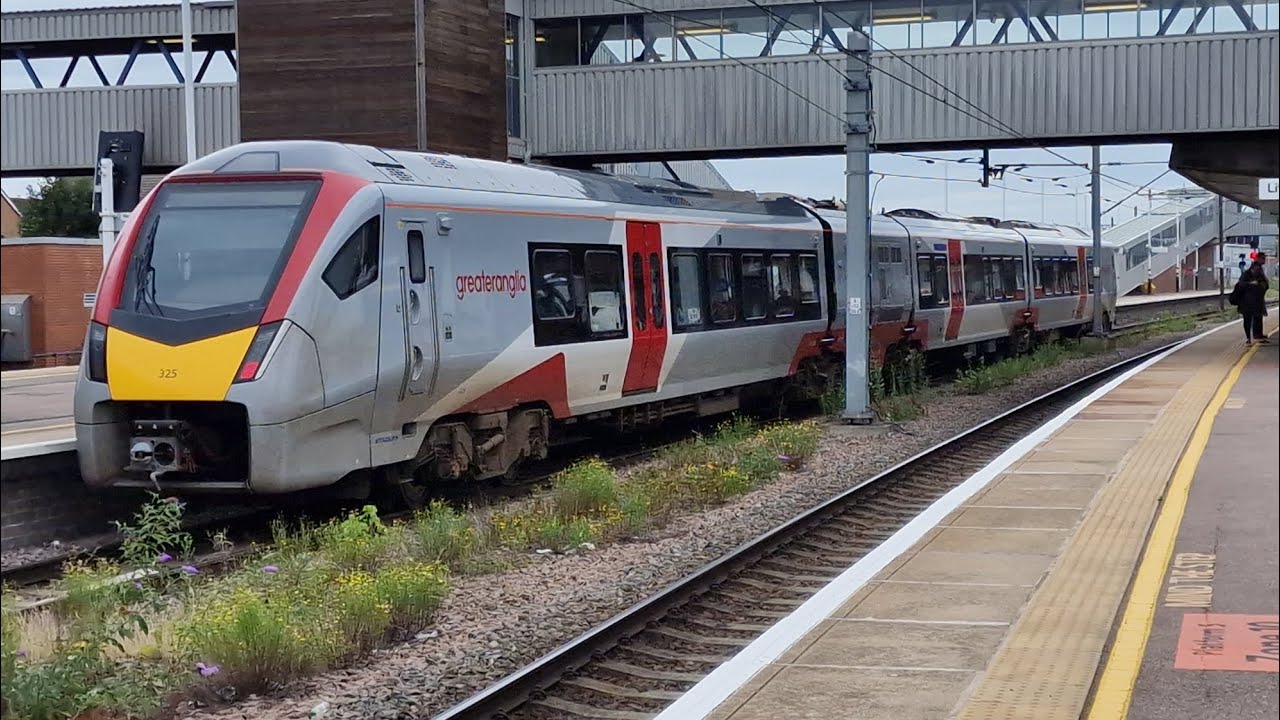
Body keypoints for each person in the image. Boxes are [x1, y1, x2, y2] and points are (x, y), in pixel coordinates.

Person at [1229, 261, 1270, 345]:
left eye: (1259, 269)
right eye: (1257, 269)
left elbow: (1266, 285)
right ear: (1252, 268)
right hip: (1245, 302)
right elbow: (1240, 285)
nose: (1258, 271)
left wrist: (1262, 285)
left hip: (1257, 302)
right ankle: (1248, 338)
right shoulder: (1245, 275)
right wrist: (1251, 284)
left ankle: (1257, 336)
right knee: (1247, 320)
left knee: (1258, 318)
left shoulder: (1260, 276)